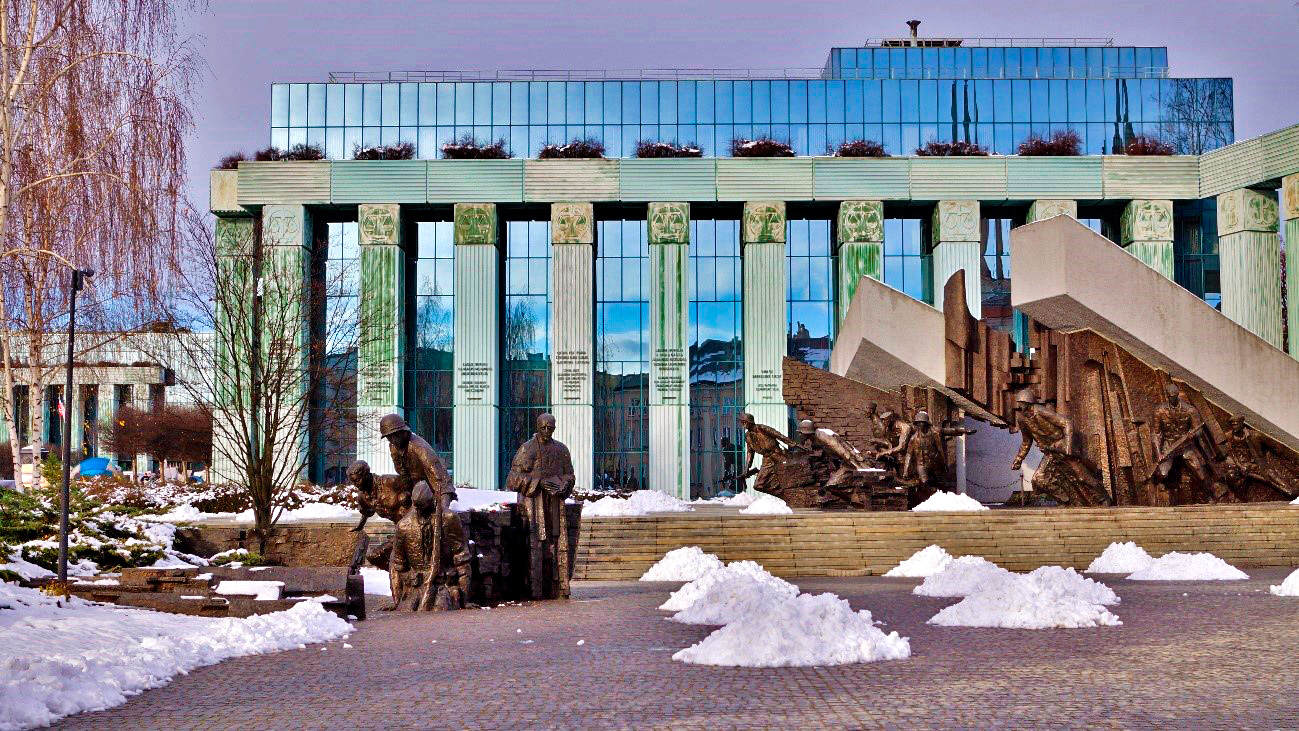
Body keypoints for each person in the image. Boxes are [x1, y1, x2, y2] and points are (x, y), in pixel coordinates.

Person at [379, 413, 470, 609]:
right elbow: (404, 475)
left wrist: (442, 510)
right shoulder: (395, 448)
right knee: (403, 539)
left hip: (433, 496)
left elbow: (442, 481)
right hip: (416, 498)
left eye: (395, 435)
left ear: (404, 431)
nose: (392, 440)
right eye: (389, 437)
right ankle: (400, 597)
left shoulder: (420, 448)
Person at [506, 413, 577, 600]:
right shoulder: (527, 449)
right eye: (543, 427)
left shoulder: (561, 450)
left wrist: (563, 484)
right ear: (537, 427)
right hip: (534, 503)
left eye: (550, 428)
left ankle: (560, 588)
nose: (547, 431)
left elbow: (570, 475)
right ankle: (535, 590)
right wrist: (538, 482)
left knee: (558, 544)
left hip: (555, 503)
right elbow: (512, 479)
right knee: (535, 544)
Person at [1010, 388, 1108, 506]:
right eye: (1019, 403)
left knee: (1082, 477)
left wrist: (1067, 448)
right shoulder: (1022, 419)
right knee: (1039, 479)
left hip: (1061, 447)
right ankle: (1067, 501)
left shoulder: (1041, 411)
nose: (1020, 406)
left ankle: (1104, 498)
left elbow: (1066, 423)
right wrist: (1019, 459)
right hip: (1049, 452)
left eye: (1022, 403)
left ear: (1028, 403)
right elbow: (1026, 441)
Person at [344, 460, 411, 571]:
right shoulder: (363, 497)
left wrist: (406, 498)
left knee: (400, 560)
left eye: (357, 480)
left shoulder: (390, 481)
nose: (356, 485)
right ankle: (403, 575)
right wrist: (360, 526)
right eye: (353, 482)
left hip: (414, 527)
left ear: (366, 474)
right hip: (400, 533)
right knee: (374, 557)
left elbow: (418, 489)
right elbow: (366, 512)